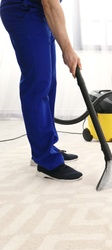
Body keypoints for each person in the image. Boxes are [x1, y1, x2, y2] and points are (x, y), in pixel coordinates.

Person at [0, 0, 83, 181]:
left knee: (48, 82)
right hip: (24, 11)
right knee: (38, 84)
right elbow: (50, 4)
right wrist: (67, 49)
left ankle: (45, 148)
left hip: (39, 12)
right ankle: (46, 160)